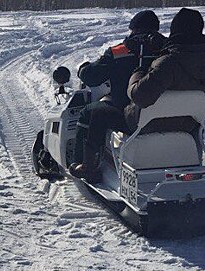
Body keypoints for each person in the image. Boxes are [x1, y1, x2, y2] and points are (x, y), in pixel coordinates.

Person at [69, 10, 166, 181]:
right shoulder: (167, 49)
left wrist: (83, 69)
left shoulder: (120, 51)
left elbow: (92, 77)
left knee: (90, 112)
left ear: (134, 29)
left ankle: (86, 166)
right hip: (166, 113)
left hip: (126, 112)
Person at [127, 8, 205, 115]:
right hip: (195, 122)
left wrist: (137, 74)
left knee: (100, 112)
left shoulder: (168, 63)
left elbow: (139, 97)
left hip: (157, 123)